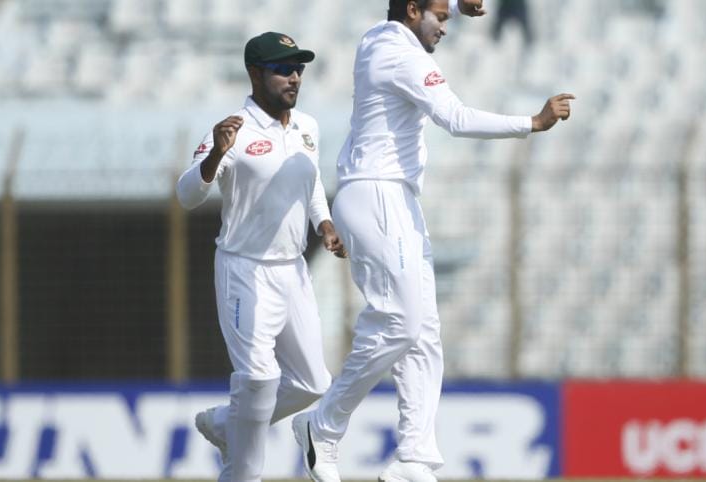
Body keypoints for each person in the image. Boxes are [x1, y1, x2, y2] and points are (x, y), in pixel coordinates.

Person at [291, 1, 574, 481]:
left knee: (423, 331)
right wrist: (532, 122)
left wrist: (456, 6)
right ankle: (323, 423)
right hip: (377, 194)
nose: (446, 27)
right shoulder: (400, 55)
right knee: (401, 324)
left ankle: (414, 457)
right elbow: (456, 118)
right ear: (413, 10)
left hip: (392, 196)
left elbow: (419, 17)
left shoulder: (380, 37)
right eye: (440, 18)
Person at [176, 31, 346, 482]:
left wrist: (324, 224)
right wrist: (215, 155)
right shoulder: (233, 131)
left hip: (293, 269)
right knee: (259, 378)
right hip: (244, 268)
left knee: (313, 382)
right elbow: (187, 195)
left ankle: (224, 424)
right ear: (255, 73)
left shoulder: (307, 127)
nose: (294, 77)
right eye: (283, 69)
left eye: (298, 69)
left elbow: (310, 182)